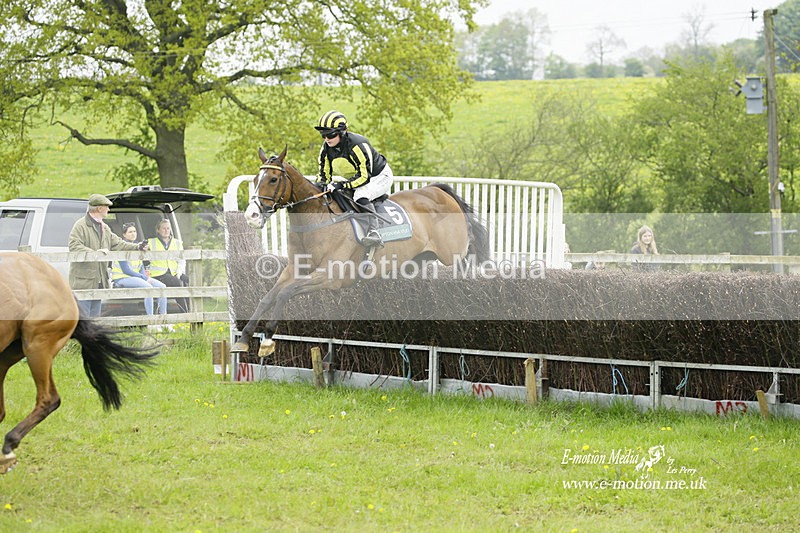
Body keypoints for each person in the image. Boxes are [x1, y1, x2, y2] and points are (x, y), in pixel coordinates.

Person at [314, 110, 394, 247]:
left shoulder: (357, 145)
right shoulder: (326, 149)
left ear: (342, 132)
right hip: (357, 178)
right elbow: (323, 175)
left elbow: (364, 177)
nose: (327, 138)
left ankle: (374, 232)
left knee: (360, 195)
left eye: (330, 134)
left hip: (378, 176)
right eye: (323, 135)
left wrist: (341, 185)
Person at [68, 194, 147, 317]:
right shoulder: (80, 225)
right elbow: (74, 246)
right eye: (107, 207)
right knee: (83, 319)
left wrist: (138, 246)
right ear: (99, 208)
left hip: (99, 281)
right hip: (84, 282)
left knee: (95, 319)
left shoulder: (105, 227)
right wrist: (96, 254)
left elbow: (118, 244)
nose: (109, 210)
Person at [111, 222, 168, 318]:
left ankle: (164, 319)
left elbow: (140, 265)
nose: (133, 233)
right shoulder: (121, 247)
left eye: (134, 231)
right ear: (124, 234)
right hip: (122, 278)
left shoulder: (138, 246)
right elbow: (126, 270)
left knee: (162, 286)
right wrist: (143, 278)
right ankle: (151, 320)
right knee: (148, 288)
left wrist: (144, 277)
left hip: (136, 277)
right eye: (130, 232)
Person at [147, 218, 189, 313]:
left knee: (189, 281)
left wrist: (179, 272)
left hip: (175, 272)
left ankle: (192, 310)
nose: (166, 231)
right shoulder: (151, 242)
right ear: (158, 230)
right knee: (176, 283)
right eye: (163, 228)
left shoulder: (177, 243)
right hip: (158, 274)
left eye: (168, 228)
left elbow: (182, 260)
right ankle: (185, 312)